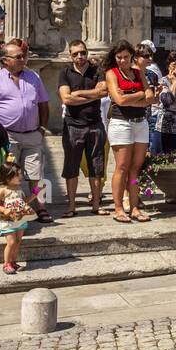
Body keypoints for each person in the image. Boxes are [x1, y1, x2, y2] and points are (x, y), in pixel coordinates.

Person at [0, 41, 52, 223]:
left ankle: (41, 207)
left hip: (33, 134)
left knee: (37, 174)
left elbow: (43, 104)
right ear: (5, 60)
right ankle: (6, 209)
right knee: (8, 175)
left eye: (23, 56)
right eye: (18, 57)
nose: (23, 59)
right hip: (8, 136)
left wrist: (42, 128)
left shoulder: (33, 77)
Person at [102, 40, 155, 223]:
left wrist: (133, 96)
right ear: (114, 58)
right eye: (119, 57)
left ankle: (134, 206)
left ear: (132, 56)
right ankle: (118, 208)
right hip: (121, 122)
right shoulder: (112, 73)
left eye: (126, 56)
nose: (123, 60)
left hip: (140, 122)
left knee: (135, 169)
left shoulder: (139, 73)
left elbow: (150, 97)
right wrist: (139, 94)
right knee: (122, 167)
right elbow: (119, 100)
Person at [58, 40, 107, 217]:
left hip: (95, 124)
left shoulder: (97, 71)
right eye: (75, 54)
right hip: (73, 126)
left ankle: (96, 204)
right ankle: (71, 206)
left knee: (97, 166)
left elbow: (103, 92)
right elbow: (66, 99)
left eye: (83, 53)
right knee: (71, 166)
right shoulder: (65, 73)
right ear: (70, 55)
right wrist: (92, 96)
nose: (80, 57)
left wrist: (77, 93)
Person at [0, 158, 38, 275]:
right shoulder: (3, 190)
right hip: (7, 221)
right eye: (18, 175)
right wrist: (4, 209)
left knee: (18, 241)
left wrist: (34, 195)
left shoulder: (19, 189)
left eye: (20, 174)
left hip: (20, 219)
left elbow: (23, 202)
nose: (20, 177)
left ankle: (13, 261)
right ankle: (6, 264)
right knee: (11, 242)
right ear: (8, 177)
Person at [138, 40, 163, 156]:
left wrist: (157, 94)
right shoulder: (130, 74)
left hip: (146, 118)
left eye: (151, 55)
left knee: (145, 154)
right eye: (146, 56)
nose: (150, 59)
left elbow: (153, 100)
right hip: (132, 118)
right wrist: (146, 95)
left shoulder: (152, 74)